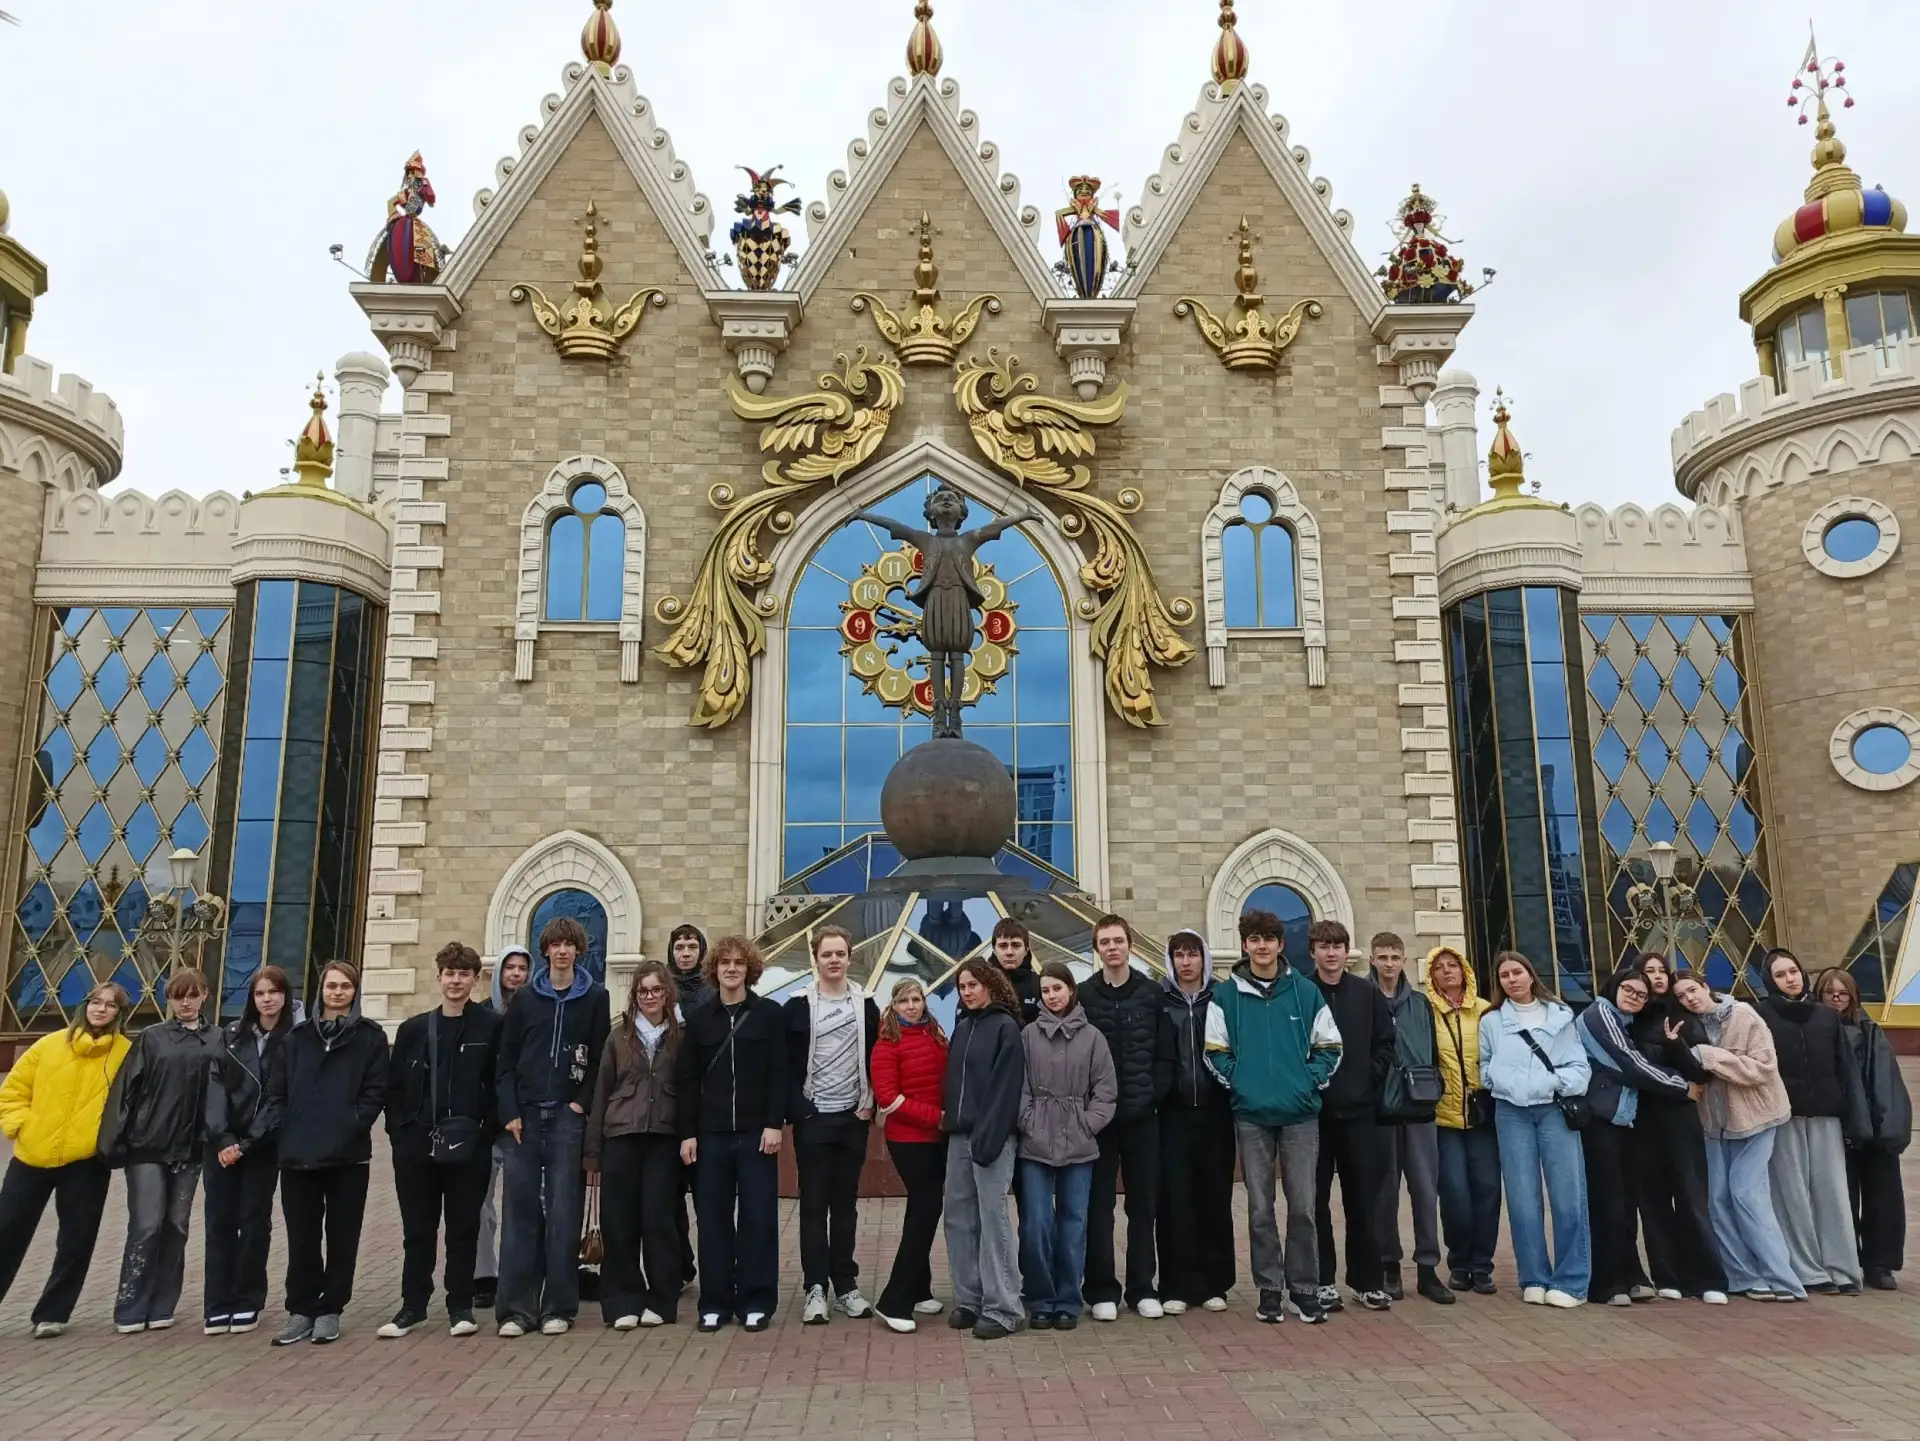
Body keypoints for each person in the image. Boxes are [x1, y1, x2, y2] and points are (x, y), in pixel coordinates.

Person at [1205, 908, 1342, 1324]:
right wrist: (1241, 1083)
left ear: (1281, 945)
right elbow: (1215, 1050)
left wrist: (1307, 1082)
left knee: (1303, 1207)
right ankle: (1269, 1289)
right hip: (1251, 1116)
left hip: (1300, 1114)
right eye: (1254, 939)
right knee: (1260, 1208)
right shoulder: (1226, 996)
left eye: (1268, 939)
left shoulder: (1305, 992)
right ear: (1244, 945)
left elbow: (1330, 1046)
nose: (1261, 946)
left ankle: (1304, 1289)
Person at [494, 916, 610, 1337]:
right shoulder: (525, 998)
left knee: (564, 1211)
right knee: (520, 1212)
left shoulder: (595, 997)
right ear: (545, 950)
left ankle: (558, 1306)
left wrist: (581, 1103)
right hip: (524, 1117)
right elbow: (505, 1061)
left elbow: (599, 1057)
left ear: (578, 950)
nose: (562, 951)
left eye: (569, 944)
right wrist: (509, 1111)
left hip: (566, 1115)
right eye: (555, 944)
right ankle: (516, 1309)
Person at [379, 942, 500, 1339]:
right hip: (417, 1148)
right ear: (439, 977)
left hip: (469, 1147)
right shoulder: (413, 1030)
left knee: (463, 1229)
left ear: (475, 979)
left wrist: (485, 1134)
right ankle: (413, 1306)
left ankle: (460, 1306)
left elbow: (498, 1083)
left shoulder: (491, 1026)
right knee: (418, 1231)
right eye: (450, 973)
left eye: (464, 974)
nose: (456, 981)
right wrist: (399, 1135)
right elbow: (395, 1088)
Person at [1575, 967, 1714, 1305]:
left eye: (1641, 994)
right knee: (1608, 1202)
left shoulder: (1624, 1021)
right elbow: (1629, 1064)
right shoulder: (1600, 1014)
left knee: (1625, 1202)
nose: (1634, 997)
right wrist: (1680, 1086)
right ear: (1613, 987)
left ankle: (1630, 1276)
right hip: (1601, 1119)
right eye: (1628, 989)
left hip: (1623, 1121)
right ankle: (1607, 1284)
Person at [0, 982, 130, 1338]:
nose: (101, 1009)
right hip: (32, 1156)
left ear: (120, 1014)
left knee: (76, 1239)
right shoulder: (49, 1045)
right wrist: (21, 1126)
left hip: (86, 1162)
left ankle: (53, 1313)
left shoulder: (125, 1053)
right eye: (96, 1002)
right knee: (6, 1232)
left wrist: (110, 1142)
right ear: (84, 1006)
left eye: (110, 1005)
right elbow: (13, 1091)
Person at [270, 960, 390, 1344]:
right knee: (302, 1237)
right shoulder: (296, 1038)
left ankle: (330, 1308)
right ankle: (301, 1308)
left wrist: (354, 1122)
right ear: (320, 990)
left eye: (345, 986)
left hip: (347, 1156)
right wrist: (288, 1127)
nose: (338, 993)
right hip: (299, 1154)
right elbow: (277, 1092)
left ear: (355, 991)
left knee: (342, 1236)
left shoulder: (369, 1037)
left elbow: (376, 1090)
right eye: (331, 986)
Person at [1670, 971, 1804, 1300]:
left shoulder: (1743, 1015)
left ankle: (1783, 1279)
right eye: (1682, 996)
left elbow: (1763, 1068)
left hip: (1757, 1118)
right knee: (1717, 1199)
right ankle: (1744, 1277)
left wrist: (1711, 1056)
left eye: (1692, 990)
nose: (1689, 998)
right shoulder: (1690, 1026)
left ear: (1706, 986)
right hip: (1715, 1124)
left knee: (1746, 1194)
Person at [678, 934, 787, 1333]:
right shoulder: (700, 1019)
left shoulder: (768, 1015)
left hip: (757, 1134)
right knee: (713, 1221)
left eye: (739, 963)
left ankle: (756, 1300)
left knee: (759, 1219)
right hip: (711, 1135)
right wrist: (688, 1133)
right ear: (715, 969)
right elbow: (688, 1081)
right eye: (725, 963)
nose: (731, 969)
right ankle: (715, 1302)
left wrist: (774, 1123)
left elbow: (779, 1072)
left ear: (749, 969)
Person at [100, 968, 216, 1334]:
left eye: (192, 995)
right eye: (178, 996)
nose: (185, 1002)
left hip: (191, 1150)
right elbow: (125, 1090)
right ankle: (130, 1305)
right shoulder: (152, 1038)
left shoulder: (218, 1039)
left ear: (205, 995)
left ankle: (163, 1303)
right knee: (147, 1224)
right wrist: (115, 1140)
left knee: (176, 1226)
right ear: (169, 1000)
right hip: (147, 1148)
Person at [1479, 950, 1590, 1308]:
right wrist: (1496, 1079)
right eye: (1504, 975)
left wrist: (1553, 1083)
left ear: (1531, 975)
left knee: (1567, 1195)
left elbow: (1579, 1067)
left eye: (1517, 972)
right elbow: (1484, 1063)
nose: (1511, 979)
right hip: (1510, 1112)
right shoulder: (1491, 1020)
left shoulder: (1559, 1016)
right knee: (1523, 1199)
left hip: (1554, 1109)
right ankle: (1534, 1276)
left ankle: (1572, 1281)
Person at [1077, 913, 1173, 1320]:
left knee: (1143, 1205)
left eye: (1118, 940)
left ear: (1129, 945)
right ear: (1096, 949)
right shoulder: (1084, 995)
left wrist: (1152, 1095)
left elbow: (1165, 1054)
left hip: (1142, 1117)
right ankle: (1101, 1289)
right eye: (1105, 942)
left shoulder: (1152, 993)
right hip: (1098, 1123)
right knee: (1098, 1207)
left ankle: (1142, 1288)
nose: (1112, 948)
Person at [1757, 947, 1867, 1294]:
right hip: (1784, 1116)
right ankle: (1808, 1270)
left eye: (1793, 971)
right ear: (1769, 981)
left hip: (1826, 1116)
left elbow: (1846, 1070)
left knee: (1832, 1193)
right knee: (1792, 1195)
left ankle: (1842, 1269)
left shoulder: (1826, 1017)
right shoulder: (1761, 1015)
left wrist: (1854, 1117)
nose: (1789, 979)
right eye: (1780, 974)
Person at [785, 924, 880, 1324]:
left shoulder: (867, 1004)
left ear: (850, 956)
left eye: (840, 953)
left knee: (845, 1207)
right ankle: (815, 1288)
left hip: (852, 1118)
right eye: (827, 954)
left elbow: (876, 1057)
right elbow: (786, 1063)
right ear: (816, 958)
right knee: (813, 1206)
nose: (834, 960)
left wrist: (870, 1103)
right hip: (814, 1119)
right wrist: (801, 1110)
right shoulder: (797, 1005)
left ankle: (846, 1286)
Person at [1016, 962, 1118, 1330]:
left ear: (1071, 990)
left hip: (1079, 1143)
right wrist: (1029, 1122)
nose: (1051, 996)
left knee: (1074, 1224)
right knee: (1036, 1224)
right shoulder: (1028, 1035)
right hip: (1036, 1142)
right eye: (1045, 990)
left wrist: (1087, 1124)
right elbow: (1019, 1087)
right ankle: (1040, 1297)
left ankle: (1068, 1300)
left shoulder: (1092, 1037)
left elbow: (1105, 1090)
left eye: (1057, 988)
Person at [586, 961, 686, 1328]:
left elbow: (690, 1090)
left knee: (659, 1221)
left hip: (663, 1137)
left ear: (667, 994)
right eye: (643, 991)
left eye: (656, 990)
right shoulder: (618, 1037)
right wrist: (592, 1152)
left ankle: (661, 1301)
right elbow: (601, 1092)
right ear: (635, 996)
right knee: (619, 1222)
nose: (650, 997)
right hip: (620, 1137)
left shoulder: (680, 1037)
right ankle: (622, 1301)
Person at [1628, 952, 1728, 1302]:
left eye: (1662, 971)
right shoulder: (1630, 1021)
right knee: (1652, 1200)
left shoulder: (1684, 1017)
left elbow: (1702, 1074)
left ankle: (1708, 1279)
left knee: (1691, 1197)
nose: (1657, 976)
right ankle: (1666, 1276)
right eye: (1649, 971)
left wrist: (1676, 1045)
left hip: (1681, 1118)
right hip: (1643, 1119)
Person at [1306, 920, 1394, 1313]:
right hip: (1314, 1115)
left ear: (1347, 952)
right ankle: (1322, 1281)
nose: (1331, 953)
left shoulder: (1366, 992)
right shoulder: (1302, 993)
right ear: (1313, 951)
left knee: (1363, 1201)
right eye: (1324, 946)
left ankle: (1367, 1282)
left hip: (1360, 1114)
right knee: (1315, 1202)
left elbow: (1385, 1044)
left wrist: (1368, 1079)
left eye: (1338, 946)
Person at [203, 966, 294, 1335]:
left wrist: (248, 1143)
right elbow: (214, 1090)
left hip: (262, 1147)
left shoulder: (293, 1039)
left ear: (285, 996)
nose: (267, 999)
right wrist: (224, 1140)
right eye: (260, 993)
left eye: (273, 992)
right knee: (219, 1224)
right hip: (222, 1147)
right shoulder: (230, 1036)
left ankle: (247, 1300)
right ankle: (217, 1303)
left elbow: (280, 1098)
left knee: (254, 1224)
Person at [941, 958, 1026, 1339]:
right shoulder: (962, 1028)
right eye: (962, 987)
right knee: (958, 1218)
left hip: (992, 1136)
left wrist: (990, 1134)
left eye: (973, 984)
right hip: (959, 1135)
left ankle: (1004, 1307)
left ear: (989, 984)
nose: (967, 992)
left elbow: (1007, 1087)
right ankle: (970, 1299)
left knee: (994, 1220)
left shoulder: (1006, 1027)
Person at [1157, 927, 1235, 1313]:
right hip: (1173, 1114)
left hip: (1215, 1111)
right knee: (1175, 1200)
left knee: (1214, 1197)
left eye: (1192, 954)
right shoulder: (1160, 1000)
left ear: (1204, 958)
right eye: (1179, 955)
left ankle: (1214, 1283)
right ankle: (1175, 1283)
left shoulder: (1222, 998)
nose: (1186, 962)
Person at [1369, 932, 1450, 1305]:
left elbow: (1433, 1053)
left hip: (1419, 1109)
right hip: (1380, 1112)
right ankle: (1389, 1266)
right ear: (1372, 959)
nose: (1389, 963)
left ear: (1404, 960)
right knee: (1384, 1194)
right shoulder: (1363, 999)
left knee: (1425, 1191)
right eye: (1383, 957)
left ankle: (1428, 1270)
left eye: (1395, 957)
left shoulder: (1420, 1004)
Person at [1817, 967, 1910, 1290]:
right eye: (1830, 992)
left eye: (1843, 992)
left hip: (1874, 1126)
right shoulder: (1817, 1031)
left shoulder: (1869, 1030)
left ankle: (1879, 1263)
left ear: (1853, 996)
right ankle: (1844, 1260)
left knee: (1882, 1199)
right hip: (1836, 1126)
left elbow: (1886, 1081)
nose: (1837, 998)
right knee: (1840, 1198)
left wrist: (1888, 1125)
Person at [872, 978, 949, 1332]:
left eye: (916, 999)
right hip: (909, 1139)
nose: (912, 1006)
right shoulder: (887, 1044)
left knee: (921, 1210)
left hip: (937, 1137)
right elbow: (888, 1098)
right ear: (894, 1005)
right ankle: (893, 1301)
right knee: (927, 1209)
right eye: (904, 1001)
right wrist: (937, 1117)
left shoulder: (935, 1034)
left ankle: (919, 1290)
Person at [1424, 946, 1499, 1294]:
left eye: (1452, 965)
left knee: (1487, 1189)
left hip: (1482, 1115)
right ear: (1431, 976)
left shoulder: (1485, 1010)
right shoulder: (1426, 1012)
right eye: (1439, 967)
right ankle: (1459, 1263)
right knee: (1454, 1193)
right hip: (1444, 1117)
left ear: (1464, 969)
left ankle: (1482, 1265)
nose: (1447, 971)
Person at [474, 942, 532, 1309]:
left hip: (524, 1123)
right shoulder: (482, 1015)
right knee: (480, 1204)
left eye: (522, 968)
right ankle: (484, 1275)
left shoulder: (536, 1010)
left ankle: (524, 1272)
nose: (515, 974)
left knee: (525, 1202)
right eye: (509, 968)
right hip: (487, 1124)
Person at [665, 922, 711, 1289]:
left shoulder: (712, 992)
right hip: (667, 1103)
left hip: (703, 1104)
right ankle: (680, 1266)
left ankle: (715, 1269)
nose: (685, 953)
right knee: (669, 1197)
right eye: (679, 947)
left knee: (708, 1198)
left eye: (692, 947)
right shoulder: (660, 990)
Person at [992, 916, 1042, 1026]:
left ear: (1026, 950)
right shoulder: (980, 984)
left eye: (1016, 945)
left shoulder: (1040, 985)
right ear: (994, 950)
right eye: (1003, 946)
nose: (1009, 952)